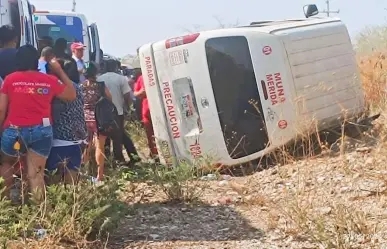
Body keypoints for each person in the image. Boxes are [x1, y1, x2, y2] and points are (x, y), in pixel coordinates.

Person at [0, 45, 76, 201]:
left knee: (5, 162)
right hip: (42, 131)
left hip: (14, 131)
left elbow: (1, 109)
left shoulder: (10, 79)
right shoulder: (49, 80)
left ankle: (6, 202)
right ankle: (39, 216)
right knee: (36, 174)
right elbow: (71, 95)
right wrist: (59, 71)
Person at [46, 57, 86, 185]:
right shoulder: (77, 87)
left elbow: (55, 114)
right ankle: (73, 204)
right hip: (79, 139)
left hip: (60, 140)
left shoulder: (56, 89)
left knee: (53, 182)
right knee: (71, 185)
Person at [98, 59, 140, 165]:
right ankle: (119, 160)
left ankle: (107, 160)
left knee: (105, 136)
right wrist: (128, 108)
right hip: (118, 112)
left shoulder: (99, 79)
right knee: (118, 136)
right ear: (115, 67)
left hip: (102, 114)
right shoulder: (121, 79)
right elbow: (127, 95)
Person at [81, 62, 112, 182]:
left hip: (85, 118)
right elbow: (109, 98)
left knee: (86, 146)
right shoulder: (101, 85)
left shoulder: (81, 86)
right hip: (99, 118)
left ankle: (83, 173)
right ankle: (100, 175)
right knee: (100, 146)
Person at [134, 70, 158, 160]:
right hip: (147, 109)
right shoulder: (141, 78)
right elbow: (135, 93)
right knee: (149, 133)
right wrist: (141, 92)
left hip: (160, 109)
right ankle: (154, 154)